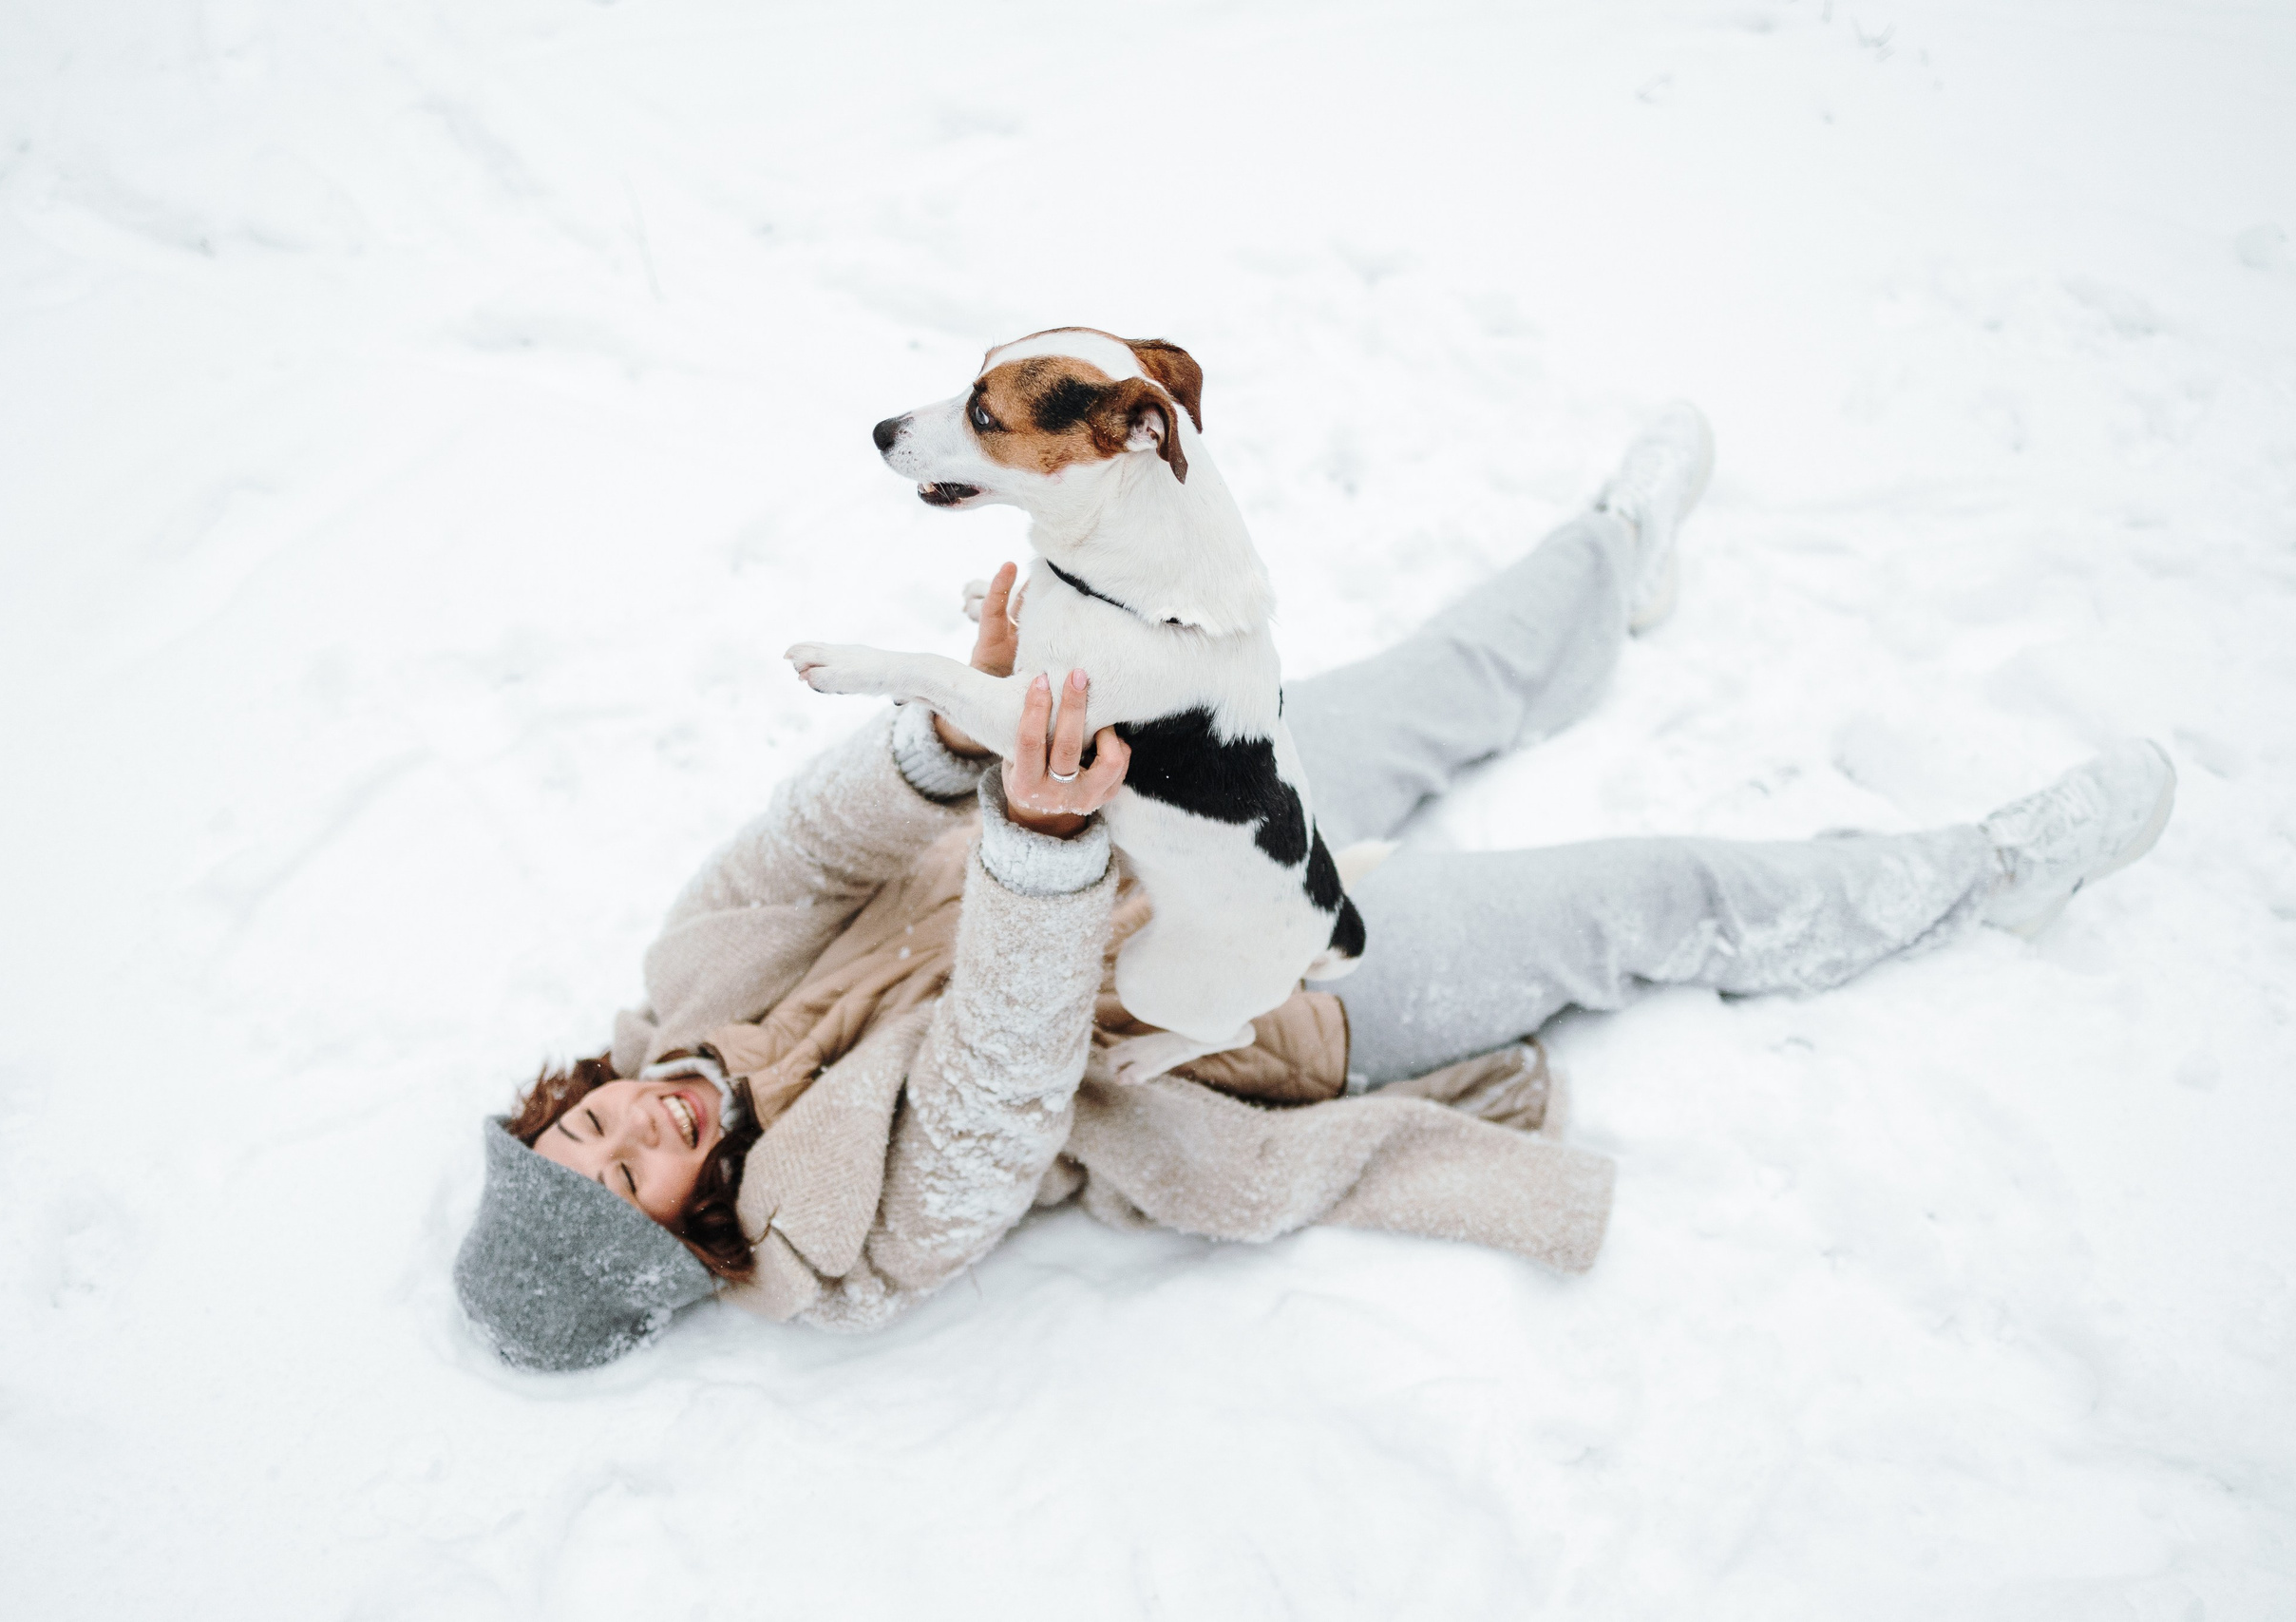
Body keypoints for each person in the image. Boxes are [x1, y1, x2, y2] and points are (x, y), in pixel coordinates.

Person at [452, 407, 2174, 1370]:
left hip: (1133, 815)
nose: (632, 1125)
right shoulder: (850, 1238)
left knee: (1430, 686)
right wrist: (1037, 855)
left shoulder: (692, 983)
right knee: (1636, 897)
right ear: (676, 1235)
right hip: (1255, 1001)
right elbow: (997, 1085)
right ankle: (1979, 878)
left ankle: (1599, 564)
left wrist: (954, 740)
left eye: (583, 1129)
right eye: (626, 1176)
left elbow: (801, 851)